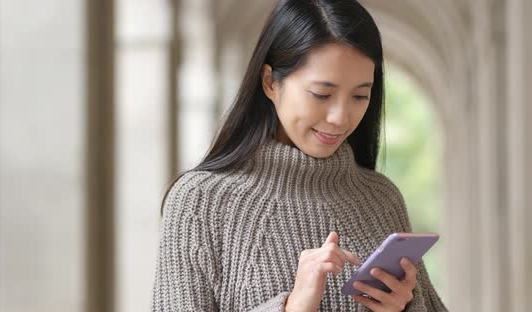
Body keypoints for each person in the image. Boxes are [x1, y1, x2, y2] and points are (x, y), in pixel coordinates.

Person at [151, 0, 448, 311]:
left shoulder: (380, 199)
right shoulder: (199, 202)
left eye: (360, 95)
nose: (340, 117)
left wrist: (405, 308)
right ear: (270, 82)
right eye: (321, 94)